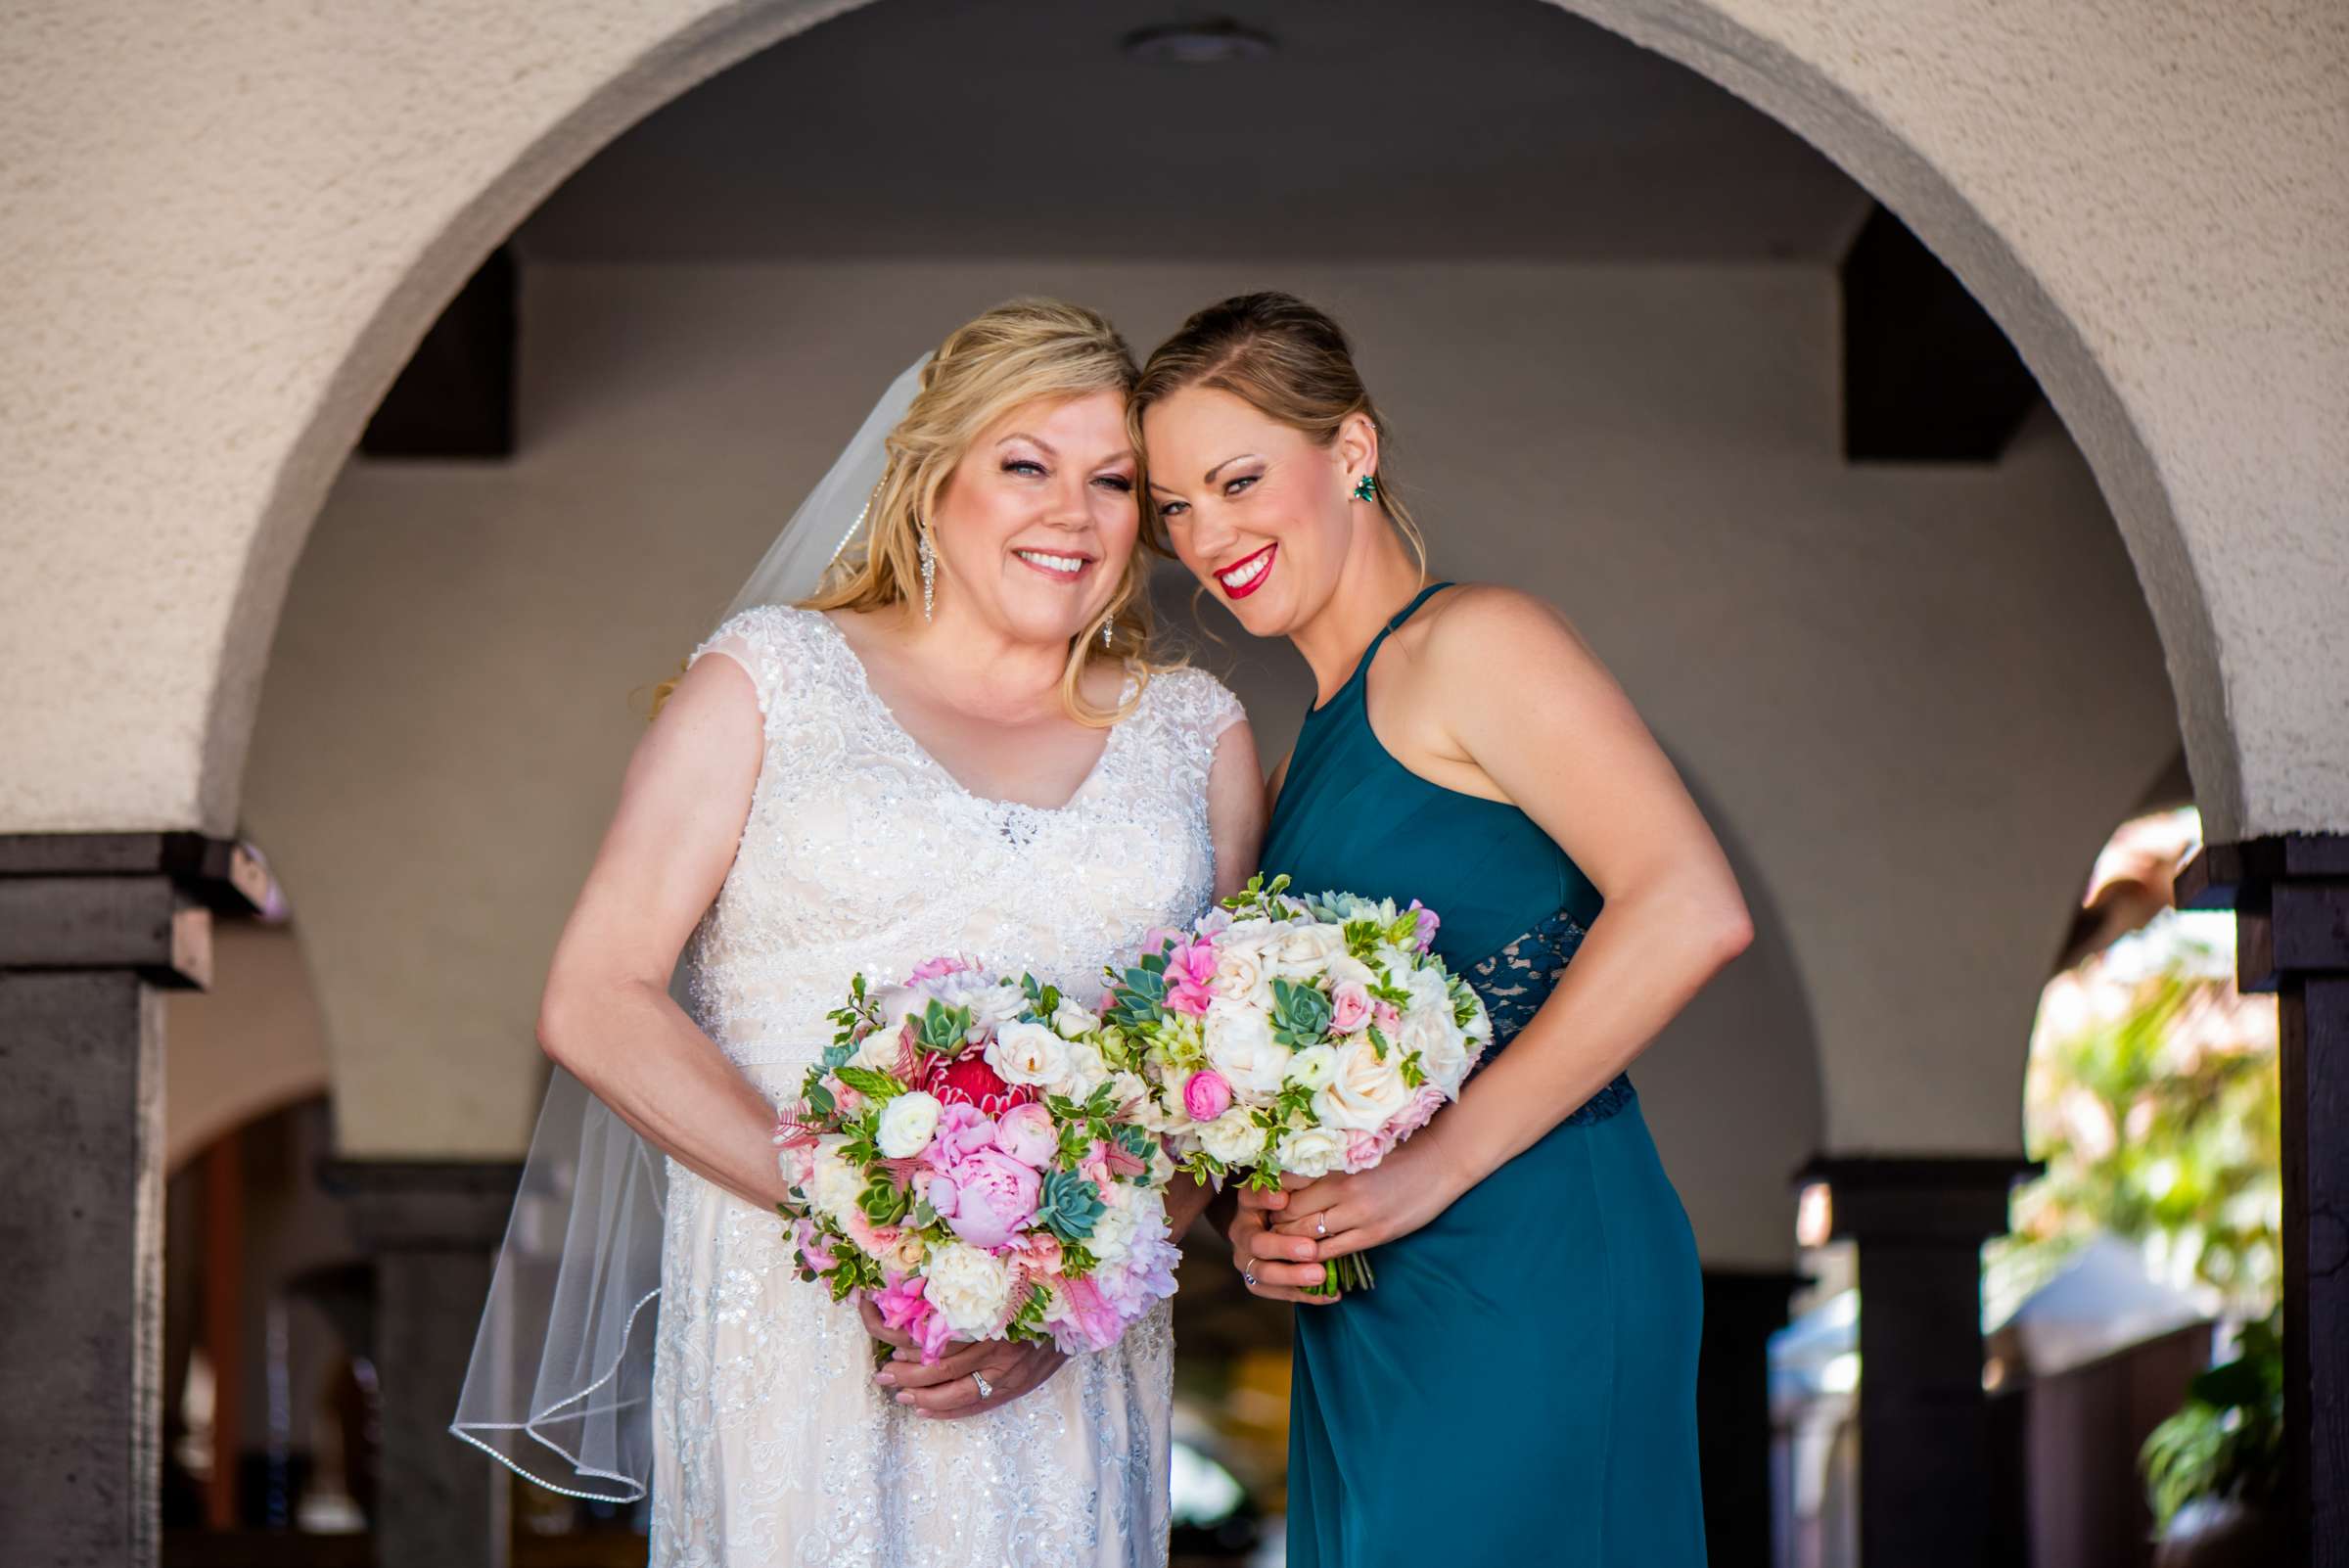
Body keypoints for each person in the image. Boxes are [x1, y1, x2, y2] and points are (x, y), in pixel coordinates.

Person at [460, 300, 1263, 1566]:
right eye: (1025, 464)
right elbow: (598, 995)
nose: (1074, 513)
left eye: (1115, 481)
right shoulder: (771, 679)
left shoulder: (1196, 735)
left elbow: (1208, 1087)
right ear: (932, 475)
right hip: (799, 1317)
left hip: (1064, 1360)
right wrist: (888, 1226)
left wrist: (1052, 1303)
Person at [1135, 292, 1749, 1567]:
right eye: (1176, 506)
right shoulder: (1310, 742)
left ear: (1350, 452)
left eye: (1238, 478)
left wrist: (1436, 1165)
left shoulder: (1476, 642)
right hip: (1373, 1293)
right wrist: (1254, 1209)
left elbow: (1691, 903)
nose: (1209, 534)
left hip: (1526, 1249)